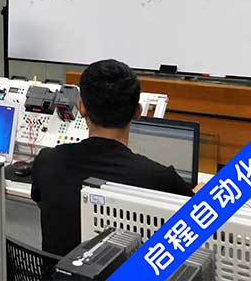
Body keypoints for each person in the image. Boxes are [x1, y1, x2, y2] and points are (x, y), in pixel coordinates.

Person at [30, 59, 194, 256]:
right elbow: (204, 224)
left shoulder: (47, 161)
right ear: (138, 112)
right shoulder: (160, 178)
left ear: (81, 108)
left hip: (57, 271)